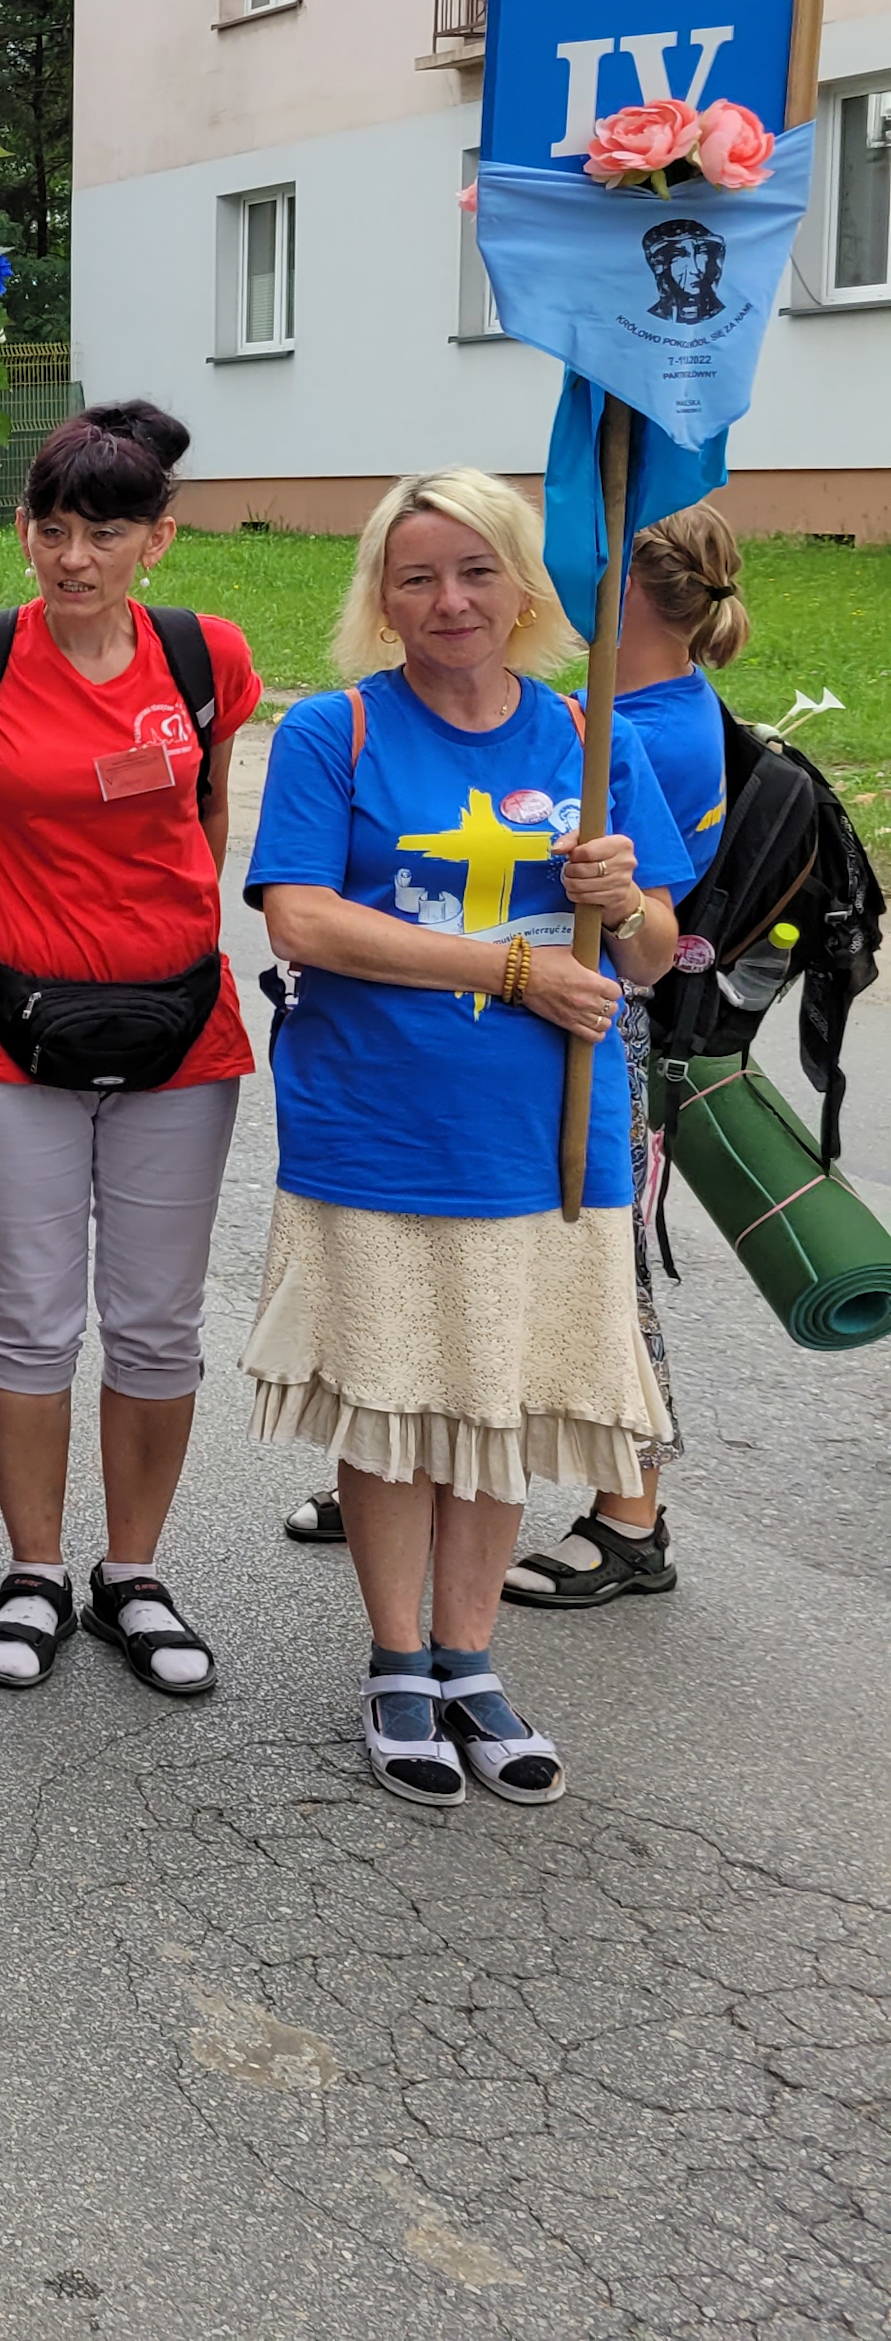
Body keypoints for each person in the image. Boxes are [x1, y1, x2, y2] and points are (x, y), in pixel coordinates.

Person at [243, 470, 681, 1808]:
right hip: (379, 1123)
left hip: (550, 1135)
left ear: (523, 587)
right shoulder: (337, 735)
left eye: (477, 571)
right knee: (396, 1402)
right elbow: (302, 922)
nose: (450, 601)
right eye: (418, 575)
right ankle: (395, 1661)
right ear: (381, 594)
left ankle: (470, 1660)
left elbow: (657, 951)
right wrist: (506, 969)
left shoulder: (590, 739)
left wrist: (620, 899)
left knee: (494, 1401)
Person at [0, 406, 259, 1701]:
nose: (73, 557)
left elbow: (208, 811)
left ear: (157, 537)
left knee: (159, 1325)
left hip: (180, 1030)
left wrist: (154, 926)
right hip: (2, 1023)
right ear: (24, 531)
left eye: (103, 532)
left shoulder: (205, 657)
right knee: (32, 1314)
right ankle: (37, 1569)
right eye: (51, 529)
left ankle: (134, 1571)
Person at [501, 504, 747, 1608]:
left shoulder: (639, 731)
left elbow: (646, 919)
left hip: (607, 1018)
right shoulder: (647, 706)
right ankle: (437, 1468)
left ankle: (632, 1515)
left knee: (607, 1275)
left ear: (628, 595)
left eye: (579, 569)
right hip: (572, 1007)